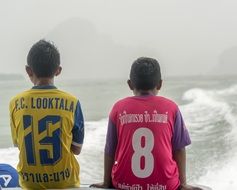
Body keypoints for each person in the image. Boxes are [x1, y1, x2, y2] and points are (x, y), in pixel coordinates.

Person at [91, 57, 202, 190]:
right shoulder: (171, 108)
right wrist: (183, 184)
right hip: (165, 186)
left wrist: (106, 182)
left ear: (130, 84)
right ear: (160, 84)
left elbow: (110, 149)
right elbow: (179, 149)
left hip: (124, 184)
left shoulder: (118, 108)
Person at [9, 40, 84, 189]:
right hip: (64, 183)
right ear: (58, 70)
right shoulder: (72, 102)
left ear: (28, 70)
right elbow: (77, 149)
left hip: (29, 183)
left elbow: (19, 144)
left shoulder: (15, 103)